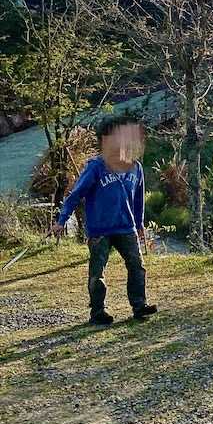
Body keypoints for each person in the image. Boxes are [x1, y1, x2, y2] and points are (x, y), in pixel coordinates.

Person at [50, 115, 158, 325]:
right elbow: (75, 195)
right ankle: (97, 311)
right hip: (99, 230)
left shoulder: (135, 167)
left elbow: (138, 199)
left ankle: (139, 304)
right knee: (97, 270)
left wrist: (139, 224)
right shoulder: (96, 167)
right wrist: (62, 220)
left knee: (137, 265)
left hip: (126, 227)